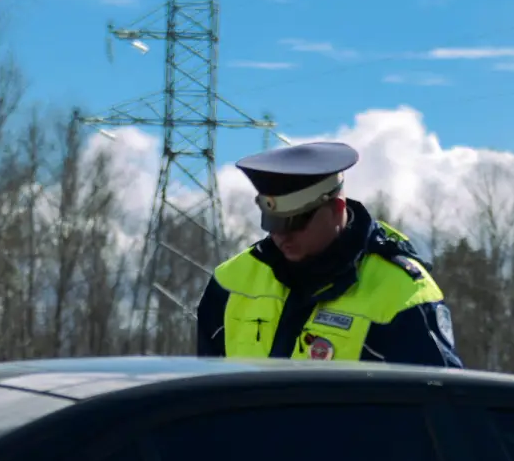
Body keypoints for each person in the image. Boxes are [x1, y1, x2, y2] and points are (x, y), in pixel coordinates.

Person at [196, 140, 463, 367]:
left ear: (336, 209)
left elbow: (437, 402)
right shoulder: (231, 281)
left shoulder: (402, 294)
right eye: (273, 223)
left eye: (295, 223)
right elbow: (206, 392)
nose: (281, 236)